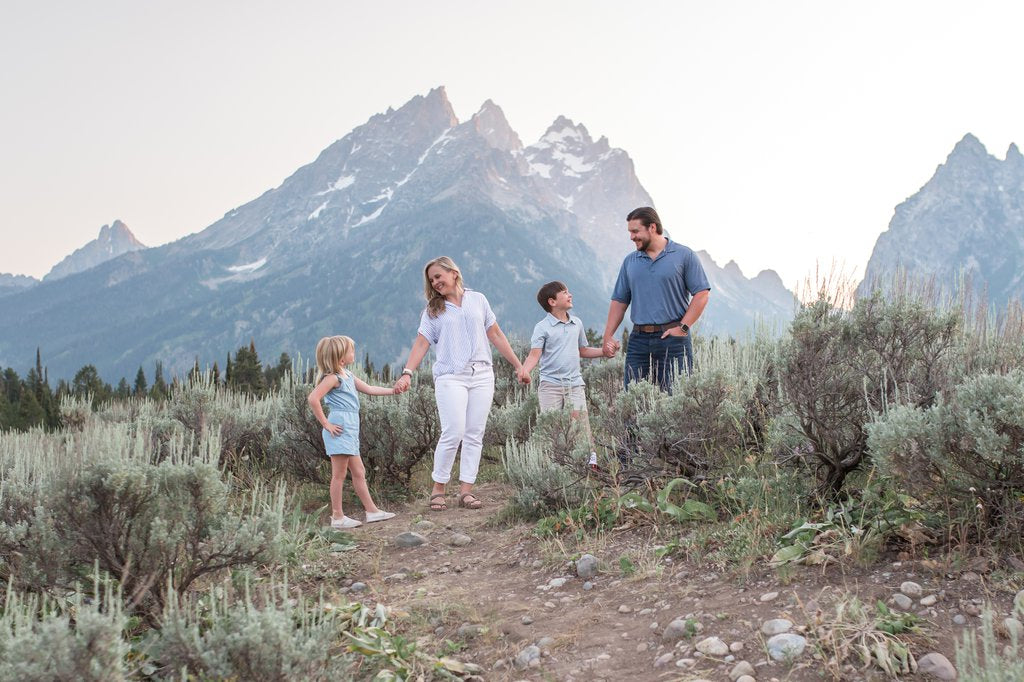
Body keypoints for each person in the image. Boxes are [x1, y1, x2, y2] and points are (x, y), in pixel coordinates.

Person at [393, 256, 528, 511]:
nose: (435, 283)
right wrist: (408, 372)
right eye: (431, 280)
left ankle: (466, 491)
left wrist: (518, 365)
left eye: (438, 277)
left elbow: (495, 334)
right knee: (453, 431)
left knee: (474, 433)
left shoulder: (478, 299)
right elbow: (422, 342)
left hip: (482, 374)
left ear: (453, 273)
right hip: (450, 376)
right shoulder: (433, 311)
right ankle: (438, 488)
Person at [601, 206, 711, 391]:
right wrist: (607, 336)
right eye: (630, 232)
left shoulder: (684, 255)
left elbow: (702, 294)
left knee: (676, 401)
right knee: (633, 402)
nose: (631, 237)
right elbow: (619, 301)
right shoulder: (630, 261)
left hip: (674, 340)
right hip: (638, 341)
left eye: (635, 231)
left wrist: (683, 327)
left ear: (652, 227)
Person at [307, 335, 397, 529]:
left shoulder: (348, 375)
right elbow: (313, 398)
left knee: (359, 471)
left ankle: (372, 511)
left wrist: (393, 391)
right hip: (339, 429)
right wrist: (326, 424)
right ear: (340, 357)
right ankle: (338, 517)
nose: (354, 353)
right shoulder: (332, 378)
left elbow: (371, 389)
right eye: (351, 351)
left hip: (350, 428)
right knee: (338, 474)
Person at [517, 281, 606, 468]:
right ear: (552, 301)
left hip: (574, 384)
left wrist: (603, 352)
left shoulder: (577, 323)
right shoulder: (542, 327)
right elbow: (535, 354)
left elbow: (583, 350)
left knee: (581, 424)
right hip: (550, 386)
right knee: (553, 428)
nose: (570, 295)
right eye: (564, 293)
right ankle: (555, 468)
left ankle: (591, 463)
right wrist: (525, 371)